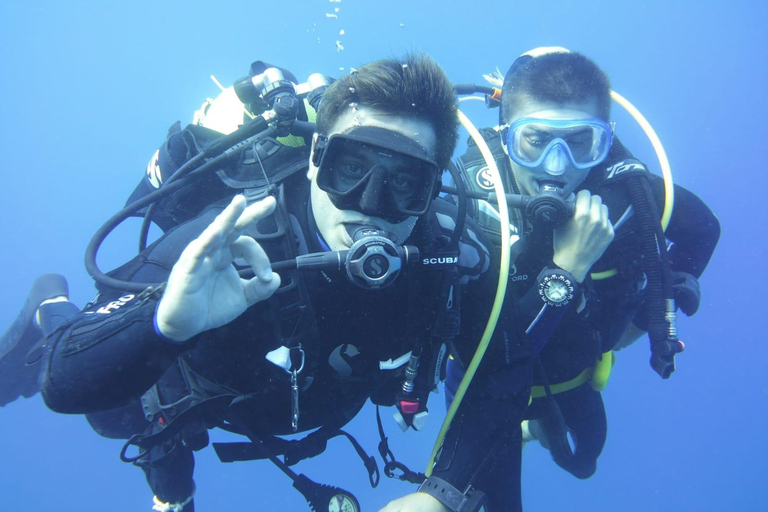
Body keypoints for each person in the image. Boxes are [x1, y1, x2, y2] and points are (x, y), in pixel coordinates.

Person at [26, 53, 530, 512]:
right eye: (351, 168)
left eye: (404, 183)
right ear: (315, 160)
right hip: (197, 396)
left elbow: (501, 380)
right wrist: (161, 324)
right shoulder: (234, 234)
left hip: (309, 400)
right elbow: (65, 378)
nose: (370, 205)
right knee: (125, 427)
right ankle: (49, 300)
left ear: (433, 189)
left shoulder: (448, 258)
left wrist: (439, 496)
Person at [447, 47, 720, 503]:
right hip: (484, 392)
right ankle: (519, 429)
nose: (556, 168)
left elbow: (704, 230)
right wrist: (569, 266)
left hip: (576, 373)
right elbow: (488, 359)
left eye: (580, 143)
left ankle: (535, 428)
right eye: (534, 141)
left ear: (605, 141)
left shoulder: (631, 196)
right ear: (505, 133)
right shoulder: (467, 199)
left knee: (583, 461)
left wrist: (646, 313)